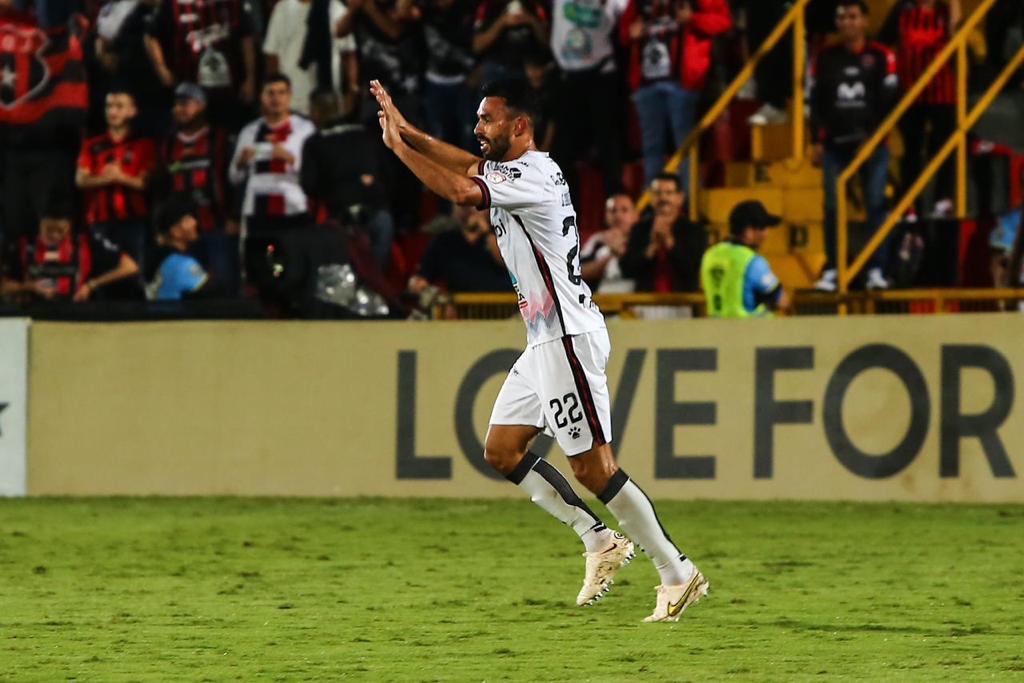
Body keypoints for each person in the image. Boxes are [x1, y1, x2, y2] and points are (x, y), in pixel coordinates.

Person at [371, 77, 709, 622]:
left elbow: (461, 190)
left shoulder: (532, 175)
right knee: (502, 450)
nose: (478, 129)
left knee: (595, 469)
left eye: (488, 119)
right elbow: (468, 165)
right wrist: (408, 131)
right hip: (544, 340)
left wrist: (399, 150)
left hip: (568, 338)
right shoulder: (516, 170)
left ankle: (676, 572)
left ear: (520, 125)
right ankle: (598, 539)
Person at [810, 0, 898, 292]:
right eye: (842, 17)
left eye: (853, 16)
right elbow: (816, 101)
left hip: (873, 146)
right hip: (835, 146)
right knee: (832, 207)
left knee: (875, 204)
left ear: (865, 21)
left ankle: (877, 269)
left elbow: (889, 102)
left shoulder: (881, 56)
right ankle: (833, 269)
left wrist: (872, 139)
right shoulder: (825, 57)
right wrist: (816, 140)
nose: (847, 22)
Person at [619, 0, 732, 186]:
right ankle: (653, 197)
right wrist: (630, 33)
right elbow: (624, 31)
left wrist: (693, 19)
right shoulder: (638, 2)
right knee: (651, 146)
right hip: (647, 83)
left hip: (682, 82)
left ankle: (688, 197)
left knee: (685, 144)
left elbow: (722, 22)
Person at [229, 74, 316, 294]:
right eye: (270, 93)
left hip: (292, 207)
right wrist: (241, 162)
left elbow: (316, 172)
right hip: (257, 209)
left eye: (281, 93)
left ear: (290, 96)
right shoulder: (250, 131)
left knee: (295, 264)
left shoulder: (304, 129)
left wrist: (290, 159)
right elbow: (233, 176)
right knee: (259, 268)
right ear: (261, 97)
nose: (276, 98)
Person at [880, 0, 961, 220]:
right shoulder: (902, 9)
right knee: (912, 150)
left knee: (945, 146)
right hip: (910, 91)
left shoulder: (946, 11)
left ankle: (943, 198)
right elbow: (882, 43)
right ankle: (909, 203)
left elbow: (957, 38)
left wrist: (954, 5)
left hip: (942, 91)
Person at [301, 88, 393, 269]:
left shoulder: (314, 143)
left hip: (338, 219)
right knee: (376, 271)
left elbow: (308, 185)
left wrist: (335, 190)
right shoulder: (367, 134)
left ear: (315, 112)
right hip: (378, 213)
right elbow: (388, 173)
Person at [162, 83, 239, 295]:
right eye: (177, 104)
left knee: (224, 284)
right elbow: (165, 186)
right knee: (190, 288)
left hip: (217, 224)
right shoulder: (169, 144)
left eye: (186, 103)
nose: (180, 109)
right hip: (184, 231)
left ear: (202, 106)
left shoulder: (219, 139)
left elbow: (234, 179)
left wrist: (234, 216)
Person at [549, 0, 627, 195]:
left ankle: (615, 201)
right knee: (564, 150)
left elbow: (628, 11)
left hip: (601, 75)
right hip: (567, 78)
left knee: (607, 145)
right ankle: (565, 206)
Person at [143, 0, 258, 132]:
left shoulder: (233, 4)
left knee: (228, 132)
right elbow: (151, 35)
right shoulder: (173, 4)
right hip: (190, 87)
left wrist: (250, 77)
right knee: (192, 133)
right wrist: (162, 69)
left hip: (229, 88)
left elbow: (246, 38)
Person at [76, 89, 158, 272]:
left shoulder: (143, 145)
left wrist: (120, 177)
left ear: (132, 111)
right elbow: (81, 180)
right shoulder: (92, 145)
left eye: (119, 106)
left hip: (133, 223)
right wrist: (108, 178)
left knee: (135, 274)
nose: (112, 111)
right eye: (109, 106)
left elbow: (145, 183)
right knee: (101, 271)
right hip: (99, 222)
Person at [3, 204, 140, 303]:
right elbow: (3, 287)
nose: (55, 236)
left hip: (76, 315)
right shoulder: (24, 245)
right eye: (49, 230)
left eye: (61, 230)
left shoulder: (85, 243)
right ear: (40, 224)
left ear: (69, 225)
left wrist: (91, 285)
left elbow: (130, 266)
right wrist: (29, 287)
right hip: (35, 315)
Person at [263, 0, 357, 116]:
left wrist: (353, 89)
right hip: (293, 100)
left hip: (328, 101)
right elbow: (272, 54)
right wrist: (275, 95)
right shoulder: (283, 8)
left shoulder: (336, 8)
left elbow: (348, 53)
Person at [620, 173, 706, 293]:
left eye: (669, 193)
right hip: (643, 301)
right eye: (657, 193)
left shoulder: (694, 230)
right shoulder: (639, 229)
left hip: (683, 301)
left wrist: (669, 242)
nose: (663, 198)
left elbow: (693, 269)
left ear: (680, 198)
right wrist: (651, 248)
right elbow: (627, 271)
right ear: (651, 197)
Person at [701, 200, 788, 317]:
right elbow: (782, 301)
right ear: (748, 231)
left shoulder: (710, 254)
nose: (766, 233)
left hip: (714, 326)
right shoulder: (752, 262)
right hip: (748, 327)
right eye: (762, 228)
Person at [408, 205, 509, 294]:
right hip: (459, 306)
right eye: (462, 205)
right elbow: (421, 278)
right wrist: (418, 284)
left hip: (504, 305)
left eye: (476, 204)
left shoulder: (502, 234)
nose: (469, 209)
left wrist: (486, 232)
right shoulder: (445, 241)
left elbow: (507, 262)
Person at [148, 196, 210, 300]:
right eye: (187, 220)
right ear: (175, 232)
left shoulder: (160, 257)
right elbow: (212, 297)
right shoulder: (181, 264)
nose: (194, 222)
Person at [473, 0, 550, 83]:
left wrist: (530, 20)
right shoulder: (488, 6)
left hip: (528, 70)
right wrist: (501, 22)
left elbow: (547, 43)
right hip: (496, 68)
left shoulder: (535, 6)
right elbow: (477, 46)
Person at [580, 193, 639, 293]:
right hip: (599, 298)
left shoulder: (642, 239)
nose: (618, 215)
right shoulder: (597, 240)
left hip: (636, 298)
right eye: (613, 210)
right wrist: (611, 254)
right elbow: (579, 271)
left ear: (635, 215)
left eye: (624, 210)